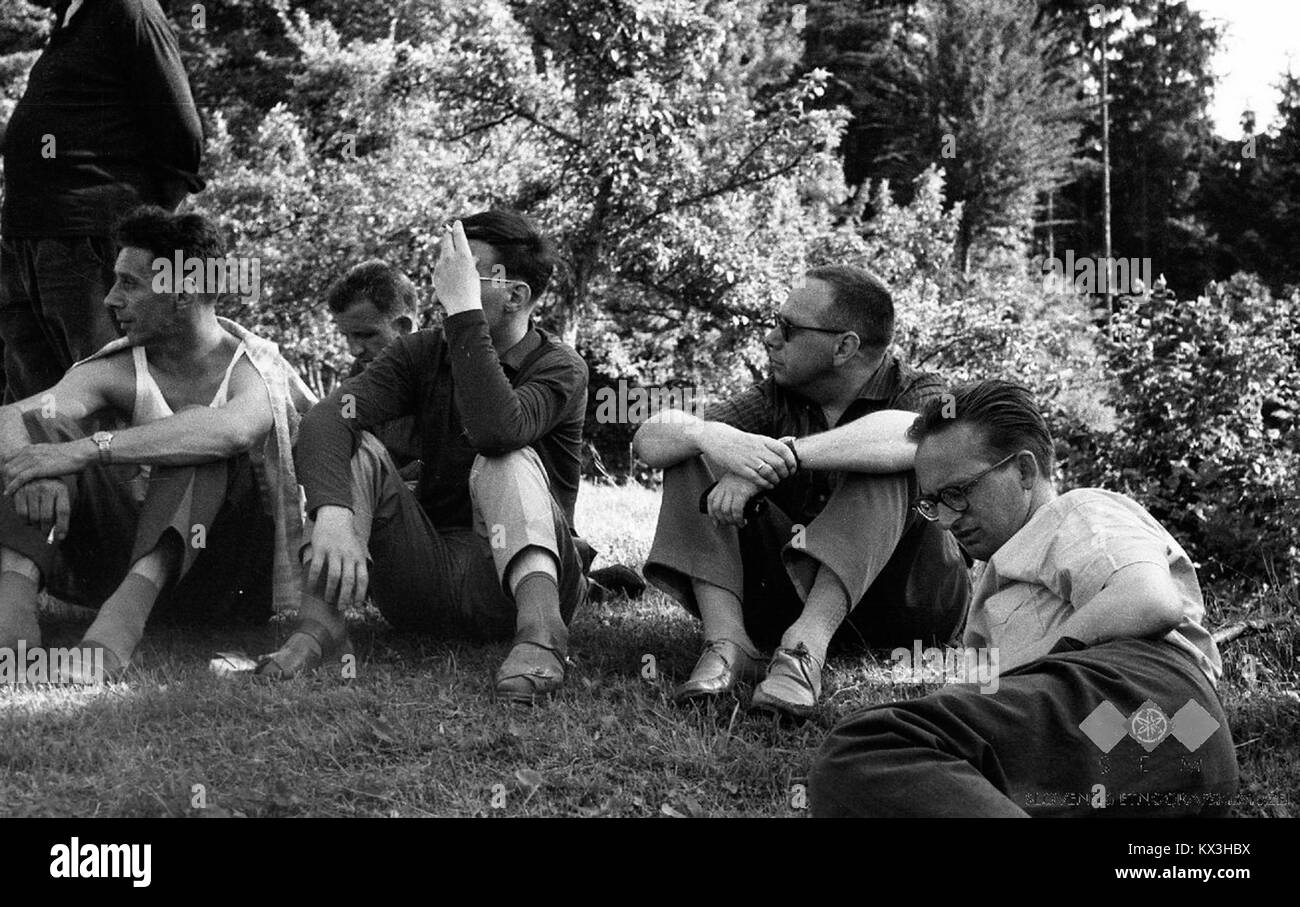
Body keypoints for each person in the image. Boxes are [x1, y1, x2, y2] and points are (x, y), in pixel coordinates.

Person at [809, 380, 1239, 816]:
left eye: (958, 492)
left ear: (1025, 471)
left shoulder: (1079, 511)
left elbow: (1148, 601)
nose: (946, 519)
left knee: (872, 750)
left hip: (1145, 698)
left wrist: (1019, 667)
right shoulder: (998, 577)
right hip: (1143, 757)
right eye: (933, 503)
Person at [259, 211, 590, 706]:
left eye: (466, 270)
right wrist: (331, 512)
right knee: (359, 444)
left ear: (517, 296)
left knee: (504, 455)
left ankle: (542, 633)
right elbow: (331, 416)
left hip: (512, 586)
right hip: (426, 579)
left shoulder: (560, 367)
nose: (447, 280)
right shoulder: (421, 352)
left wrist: (463, 311)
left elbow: (496, 428)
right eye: (448, 267)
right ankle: (320, 626)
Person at [636, 266, 969, 717]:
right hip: (787, 595)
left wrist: (782, 458)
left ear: (845, 346)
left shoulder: (920, 390)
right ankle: (729, 642)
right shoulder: (780, 394)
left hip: (905, 611)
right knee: (690, 449)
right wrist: (712, 438)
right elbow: (648, 441)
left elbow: (910, 437)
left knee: (889, 464)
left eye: (788, 328)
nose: (772, 339)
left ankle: (803, 648)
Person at [0, 206, 314, 676]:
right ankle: (11, 624)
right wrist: (29, 465)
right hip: (119, 562)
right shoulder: (118, 367)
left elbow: (233, 430)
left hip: (226, 578)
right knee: (41, 432)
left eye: (129, 284)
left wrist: (87, 449)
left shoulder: (256, 367)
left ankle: (109, 642)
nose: (110, 300)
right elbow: (9, 416)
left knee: (197, 434)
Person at [0, 0, 204, 401]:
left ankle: (116, 464)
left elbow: (184, 134)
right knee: (35, 403)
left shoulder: (131, 8)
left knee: (104, 386)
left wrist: (142, 232)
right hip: (27, 237)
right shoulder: (71, 18)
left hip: (87, 238)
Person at [323, 260, 422, 479]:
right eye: (346, 336)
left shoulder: (448, 367)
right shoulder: (363, 370)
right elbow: (346, 427)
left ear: (403, 327)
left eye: (365, 335)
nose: (354, 350)